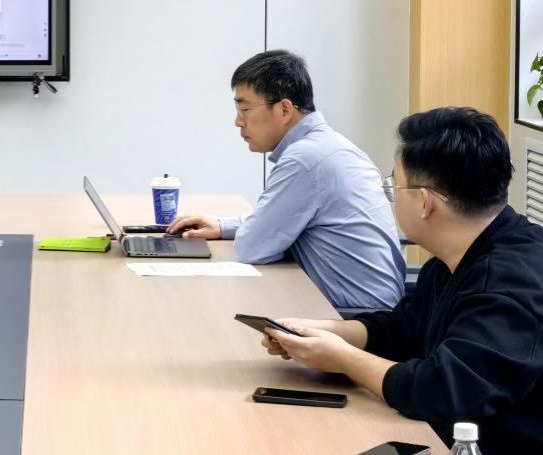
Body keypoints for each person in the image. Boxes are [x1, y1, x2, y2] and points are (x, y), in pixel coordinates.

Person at [260, 107, 543, 452]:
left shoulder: (507, 284)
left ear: (424, 202)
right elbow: (405, 329)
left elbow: (440, 391)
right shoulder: (457, 255)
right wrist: (329, 331)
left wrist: (342, 358)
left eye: (394, 186)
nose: (390, 196)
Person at [168, 50, 405, 313]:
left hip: (352, 316)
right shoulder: (329, 145)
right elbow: (281, 221)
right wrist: (224, 226)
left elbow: (252, 247)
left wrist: (243, 230)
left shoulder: (305, 160)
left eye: (244, 109)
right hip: (371, 309)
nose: (238, 121)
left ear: (284, 109)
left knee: (206, 308)